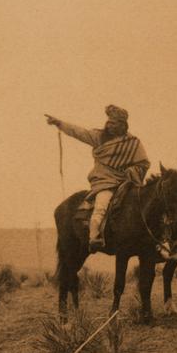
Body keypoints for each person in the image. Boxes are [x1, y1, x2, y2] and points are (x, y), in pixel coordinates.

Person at [45, 105, 149, 253]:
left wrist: (132, 171)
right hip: (104, 183)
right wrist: (59, 123)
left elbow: (143, 163)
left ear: (123, 125)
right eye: (109, 122)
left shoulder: (133, 143)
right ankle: (94, 237)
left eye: (114, 123)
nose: (110, 126)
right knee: (101, 206)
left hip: (127, 182)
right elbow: (78, 132)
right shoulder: (99, 137)